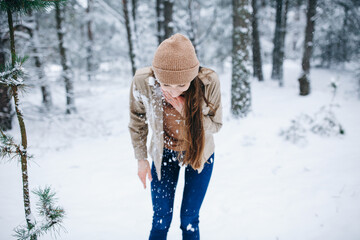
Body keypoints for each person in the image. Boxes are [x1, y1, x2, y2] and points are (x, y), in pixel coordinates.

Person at [128, 33, 222, 240]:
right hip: (165, 154)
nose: (173, 90)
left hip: (199, 154)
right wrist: (142, 159)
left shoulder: (208, 81)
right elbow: (137, 121)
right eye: (166, 84)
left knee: (189, 219)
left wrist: (186, 111)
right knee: (160, 218)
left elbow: (216, 125)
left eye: (182, 85)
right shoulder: (143, 81)